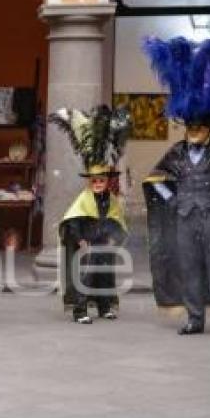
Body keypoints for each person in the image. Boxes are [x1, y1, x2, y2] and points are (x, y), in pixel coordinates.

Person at [143, 36, 210, 339]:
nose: (193, 132)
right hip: (184, 217)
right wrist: (172, 199)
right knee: (189, 269)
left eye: (199, 128)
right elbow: (155, 179)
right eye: (190, 127)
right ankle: (195, 318)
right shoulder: (176, 153)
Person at [50, 106, 131, 324]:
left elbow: (116, 220)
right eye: (94, 181)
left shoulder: (111, 200)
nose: (97, 184)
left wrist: (115, 238)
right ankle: (80, 310)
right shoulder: (83, 200)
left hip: (103, 243)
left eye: (101, 181)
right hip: (86, 244)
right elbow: (73, 221)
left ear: (107, 182)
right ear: (90, 181)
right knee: (85, 276)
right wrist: (80, 240)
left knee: (104, 276)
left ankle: (104, 307)